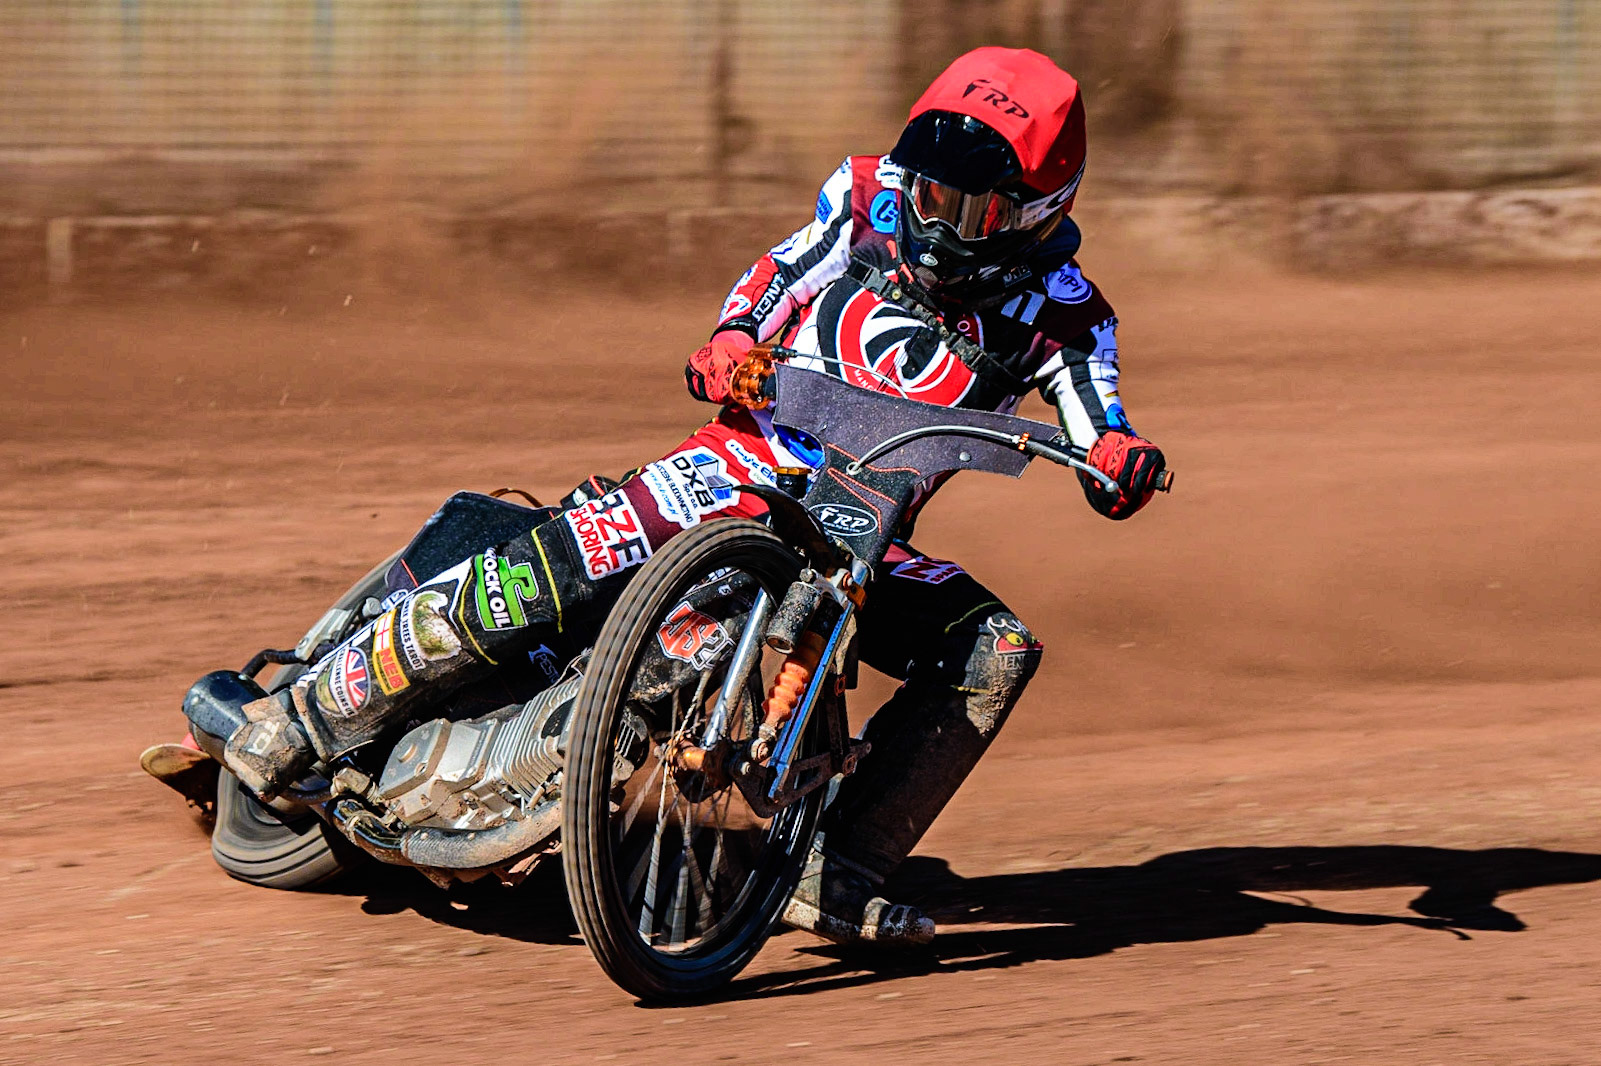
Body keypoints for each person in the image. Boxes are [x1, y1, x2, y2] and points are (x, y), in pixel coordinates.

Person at [155, 46, 1166, 948]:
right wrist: (733, 340)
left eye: (968, 206)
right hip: (739, 463)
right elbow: (778, 276)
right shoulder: (868, 199)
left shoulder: (1069, 317)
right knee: (552, 564)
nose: (935, 216)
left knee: (993, 647)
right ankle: (308, 717)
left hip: (863, 530)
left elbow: (1094, 412)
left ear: (1039, 207)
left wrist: (1115, 455)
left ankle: (833, 874)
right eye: (928, 188)